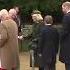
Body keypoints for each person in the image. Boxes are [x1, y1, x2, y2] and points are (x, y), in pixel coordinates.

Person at [59, 1, 70, 70]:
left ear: (66, 7)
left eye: (62, 8)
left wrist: (59, 38)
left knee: (68, 64)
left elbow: (64, 31)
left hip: (68, 44)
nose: (62, 10)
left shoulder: (67, 16)